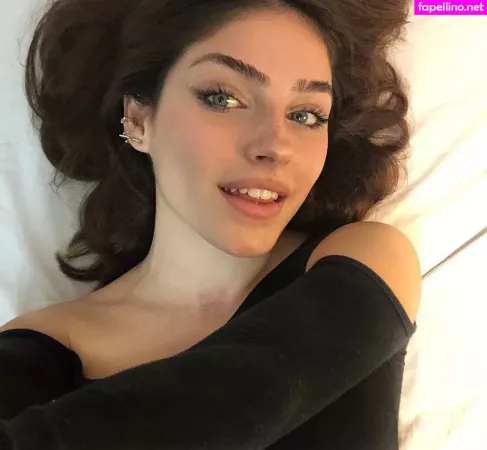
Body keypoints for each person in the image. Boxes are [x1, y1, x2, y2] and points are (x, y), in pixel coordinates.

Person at [0, 0, 421, 448]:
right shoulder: (41, 346)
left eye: (305, 115)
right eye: (224, 98)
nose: (275, 146)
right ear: (139, 120)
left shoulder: (365, 261)